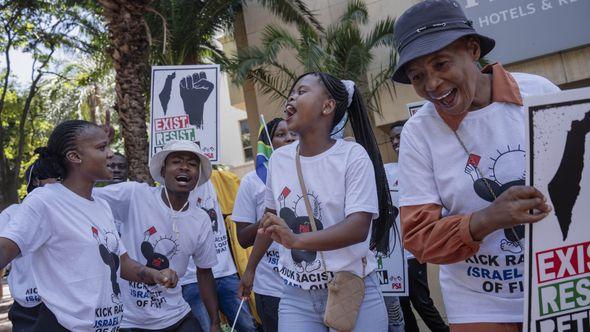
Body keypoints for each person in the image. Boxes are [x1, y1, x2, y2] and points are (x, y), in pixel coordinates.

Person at [392, 1, 559, 331]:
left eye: (441, 64)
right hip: (478, 304)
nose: (432, 84)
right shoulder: (418, 132)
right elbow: (418, 236)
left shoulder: (539, 93)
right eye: (418, 76)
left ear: (471, 49)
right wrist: (487, 219)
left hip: (556, 286)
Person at [239, 72, 396, 331]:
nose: (291, 97)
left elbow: (358, 227)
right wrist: (251, 269)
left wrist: (296, 240)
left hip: (351, 289)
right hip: (295, 296)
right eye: (291, 92)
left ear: (328, 106)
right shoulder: (279, 160)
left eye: (302, 91)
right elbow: (270, 220)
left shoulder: (352, 156)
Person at [0, 120, 179, 331]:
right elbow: (4, 250)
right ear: (75, 157)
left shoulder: (101, 205)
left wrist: (154, 275)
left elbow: (123, 263)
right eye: (101, 147)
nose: (111, 154)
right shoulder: (45, 200)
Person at [94, 140, 219, 332]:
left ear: (198, 177)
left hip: (177, 317)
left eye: (192, 164)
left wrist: (214, 322)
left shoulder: (201, 219)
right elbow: (86, 198)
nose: (185, 167)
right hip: (129, 322)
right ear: (163, 171)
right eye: (176, 161)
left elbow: (204, 272)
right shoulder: (135, 195)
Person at [233, 118, 297, 332]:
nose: (289, 138)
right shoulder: (252, 182)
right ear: (269, 143)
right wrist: (271, 215)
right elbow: (242, 239)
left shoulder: (312, 172)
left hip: (310, 283)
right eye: (280, 134)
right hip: (273, 289)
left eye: (293, 133)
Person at [386, 120, 449, 332]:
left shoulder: (424, 169)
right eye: (392, 138)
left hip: (413, 252)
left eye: (399, 137)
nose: (395, 142)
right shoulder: (388, 171)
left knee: (421, 301)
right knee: (402, 306)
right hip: (393, 255)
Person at [180, 179, 257, 332]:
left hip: (225, 272)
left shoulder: (217, 180)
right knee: (207, 328)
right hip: (191, 279)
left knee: (247, 326)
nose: (186, 166)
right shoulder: (168, 193)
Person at [0, 160, 57, 331]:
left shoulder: (70, 212)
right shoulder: (12, 213)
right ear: (36, 181)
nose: (62, 183)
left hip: (64, 307)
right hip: (29, 309)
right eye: (57, 177)